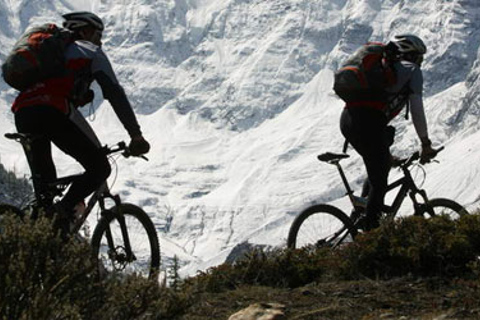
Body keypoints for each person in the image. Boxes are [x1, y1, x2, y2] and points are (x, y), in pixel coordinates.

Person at [11, 11, 150, 232]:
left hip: (22, 111)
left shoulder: (51, 53)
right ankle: (62, 214)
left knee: (46, 190)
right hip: (52, 110)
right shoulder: (91, 51)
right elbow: (114, 93)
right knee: (100, 167)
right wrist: (135, 134)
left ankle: (41, 242)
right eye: (98, 34)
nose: (100, 40)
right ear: (85, 31)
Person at [339, 34, 438, 231]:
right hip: (368, 122)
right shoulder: (412, 71)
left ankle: (360, 215)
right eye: (420, 57)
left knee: (379, 167)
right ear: (412, 56)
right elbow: (417, 109)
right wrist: (425, 144)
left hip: (349, 120)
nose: (421, 62)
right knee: (380, 179)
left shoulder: (385, 70)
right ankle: (372, 235)